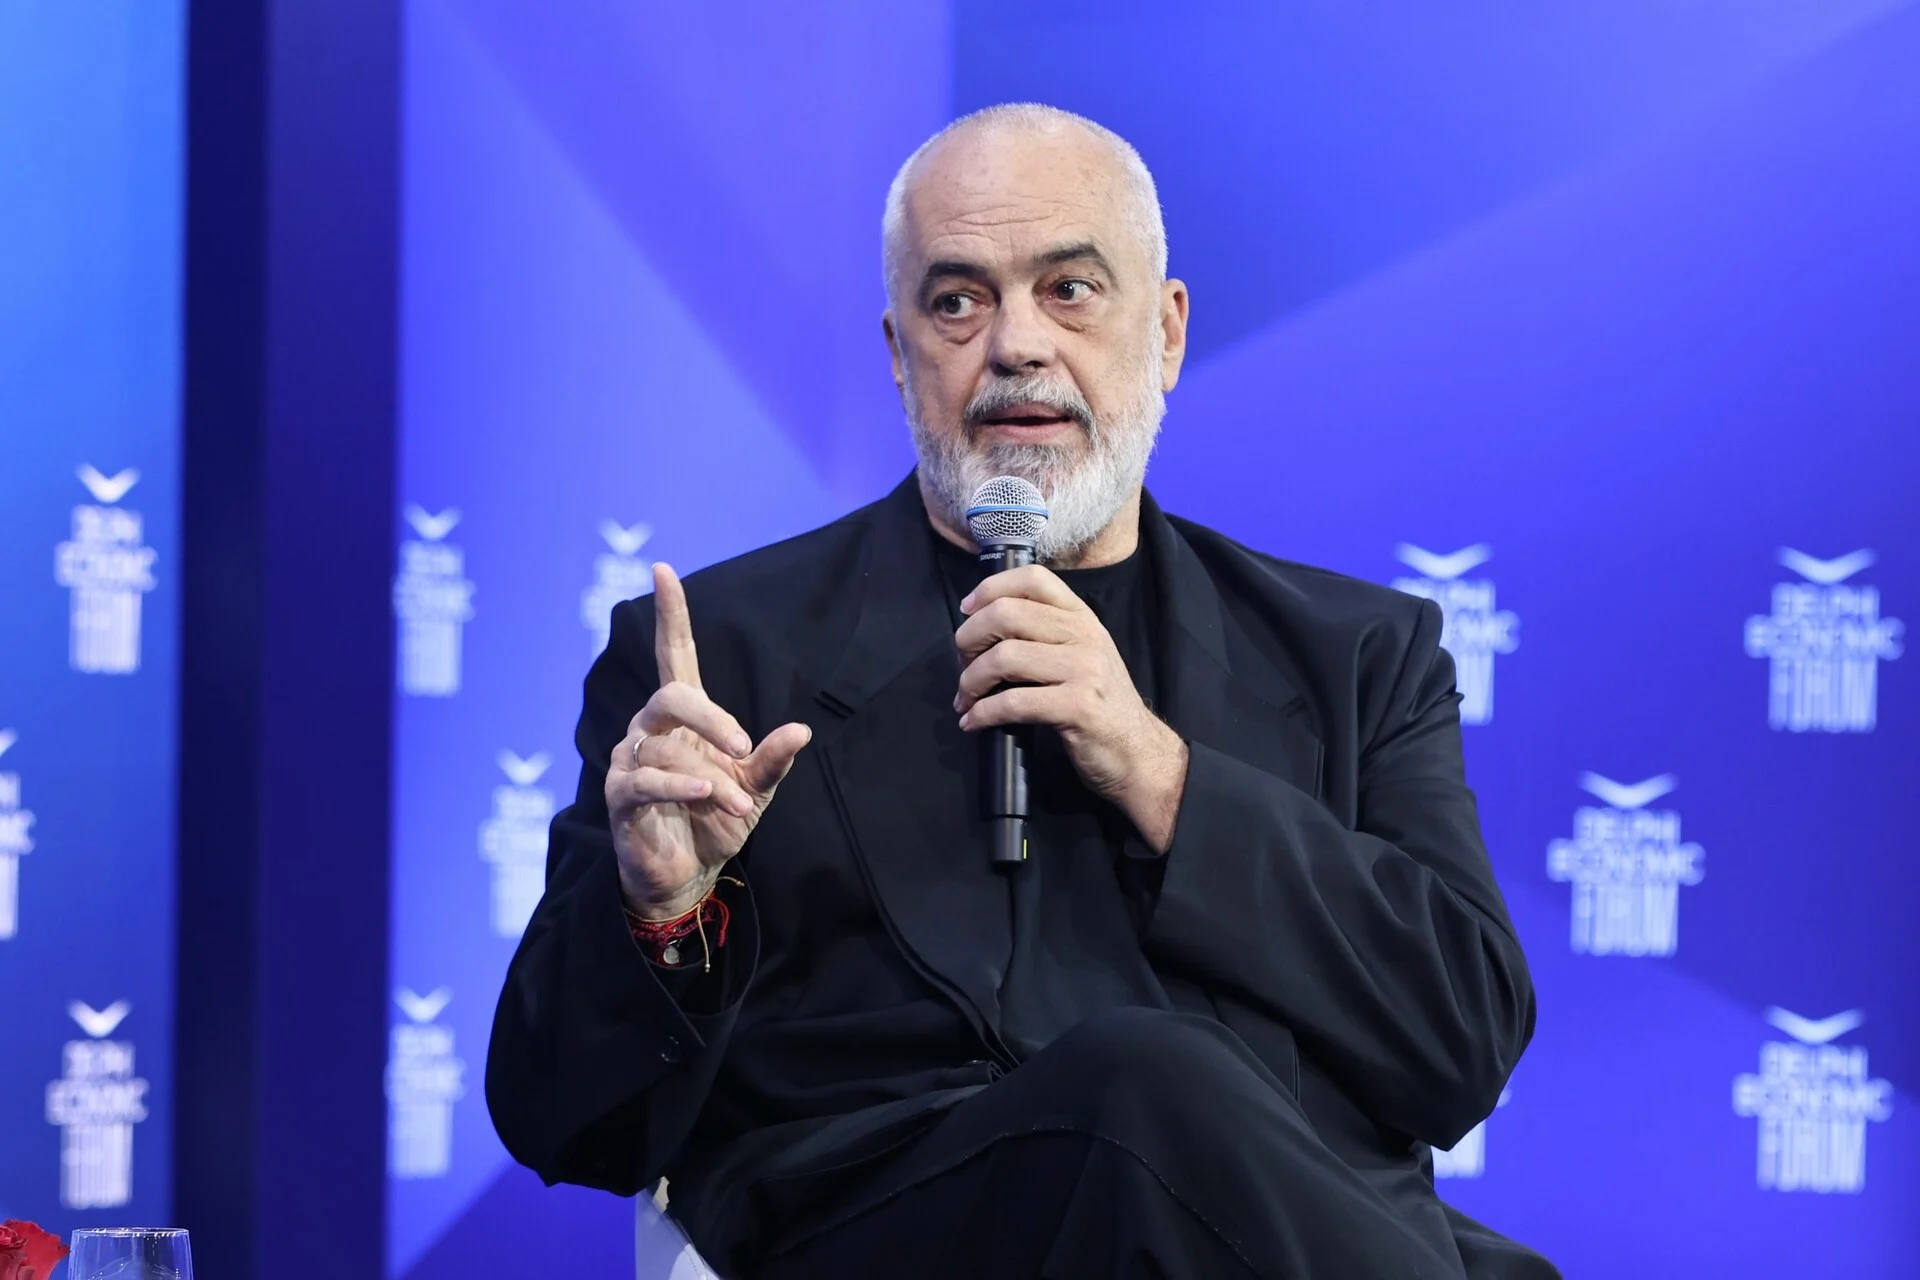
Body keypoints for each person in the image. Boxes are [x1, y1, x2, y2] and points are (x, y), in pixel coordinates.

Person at [486, 103, 1560, 1279]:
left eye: (1070, 290)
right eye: (957, 302)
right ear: (899, 353)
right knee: (1143, 1085)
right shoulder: (721, 657)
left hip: (1257, 1239)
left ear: (1167, 331)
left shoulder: (1355, 653)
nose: (1016, 345)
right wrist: (665, 913)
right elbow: (560, 1120)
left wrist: (1160, 771)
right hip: (897, 1233)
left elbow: (1460, 1044)